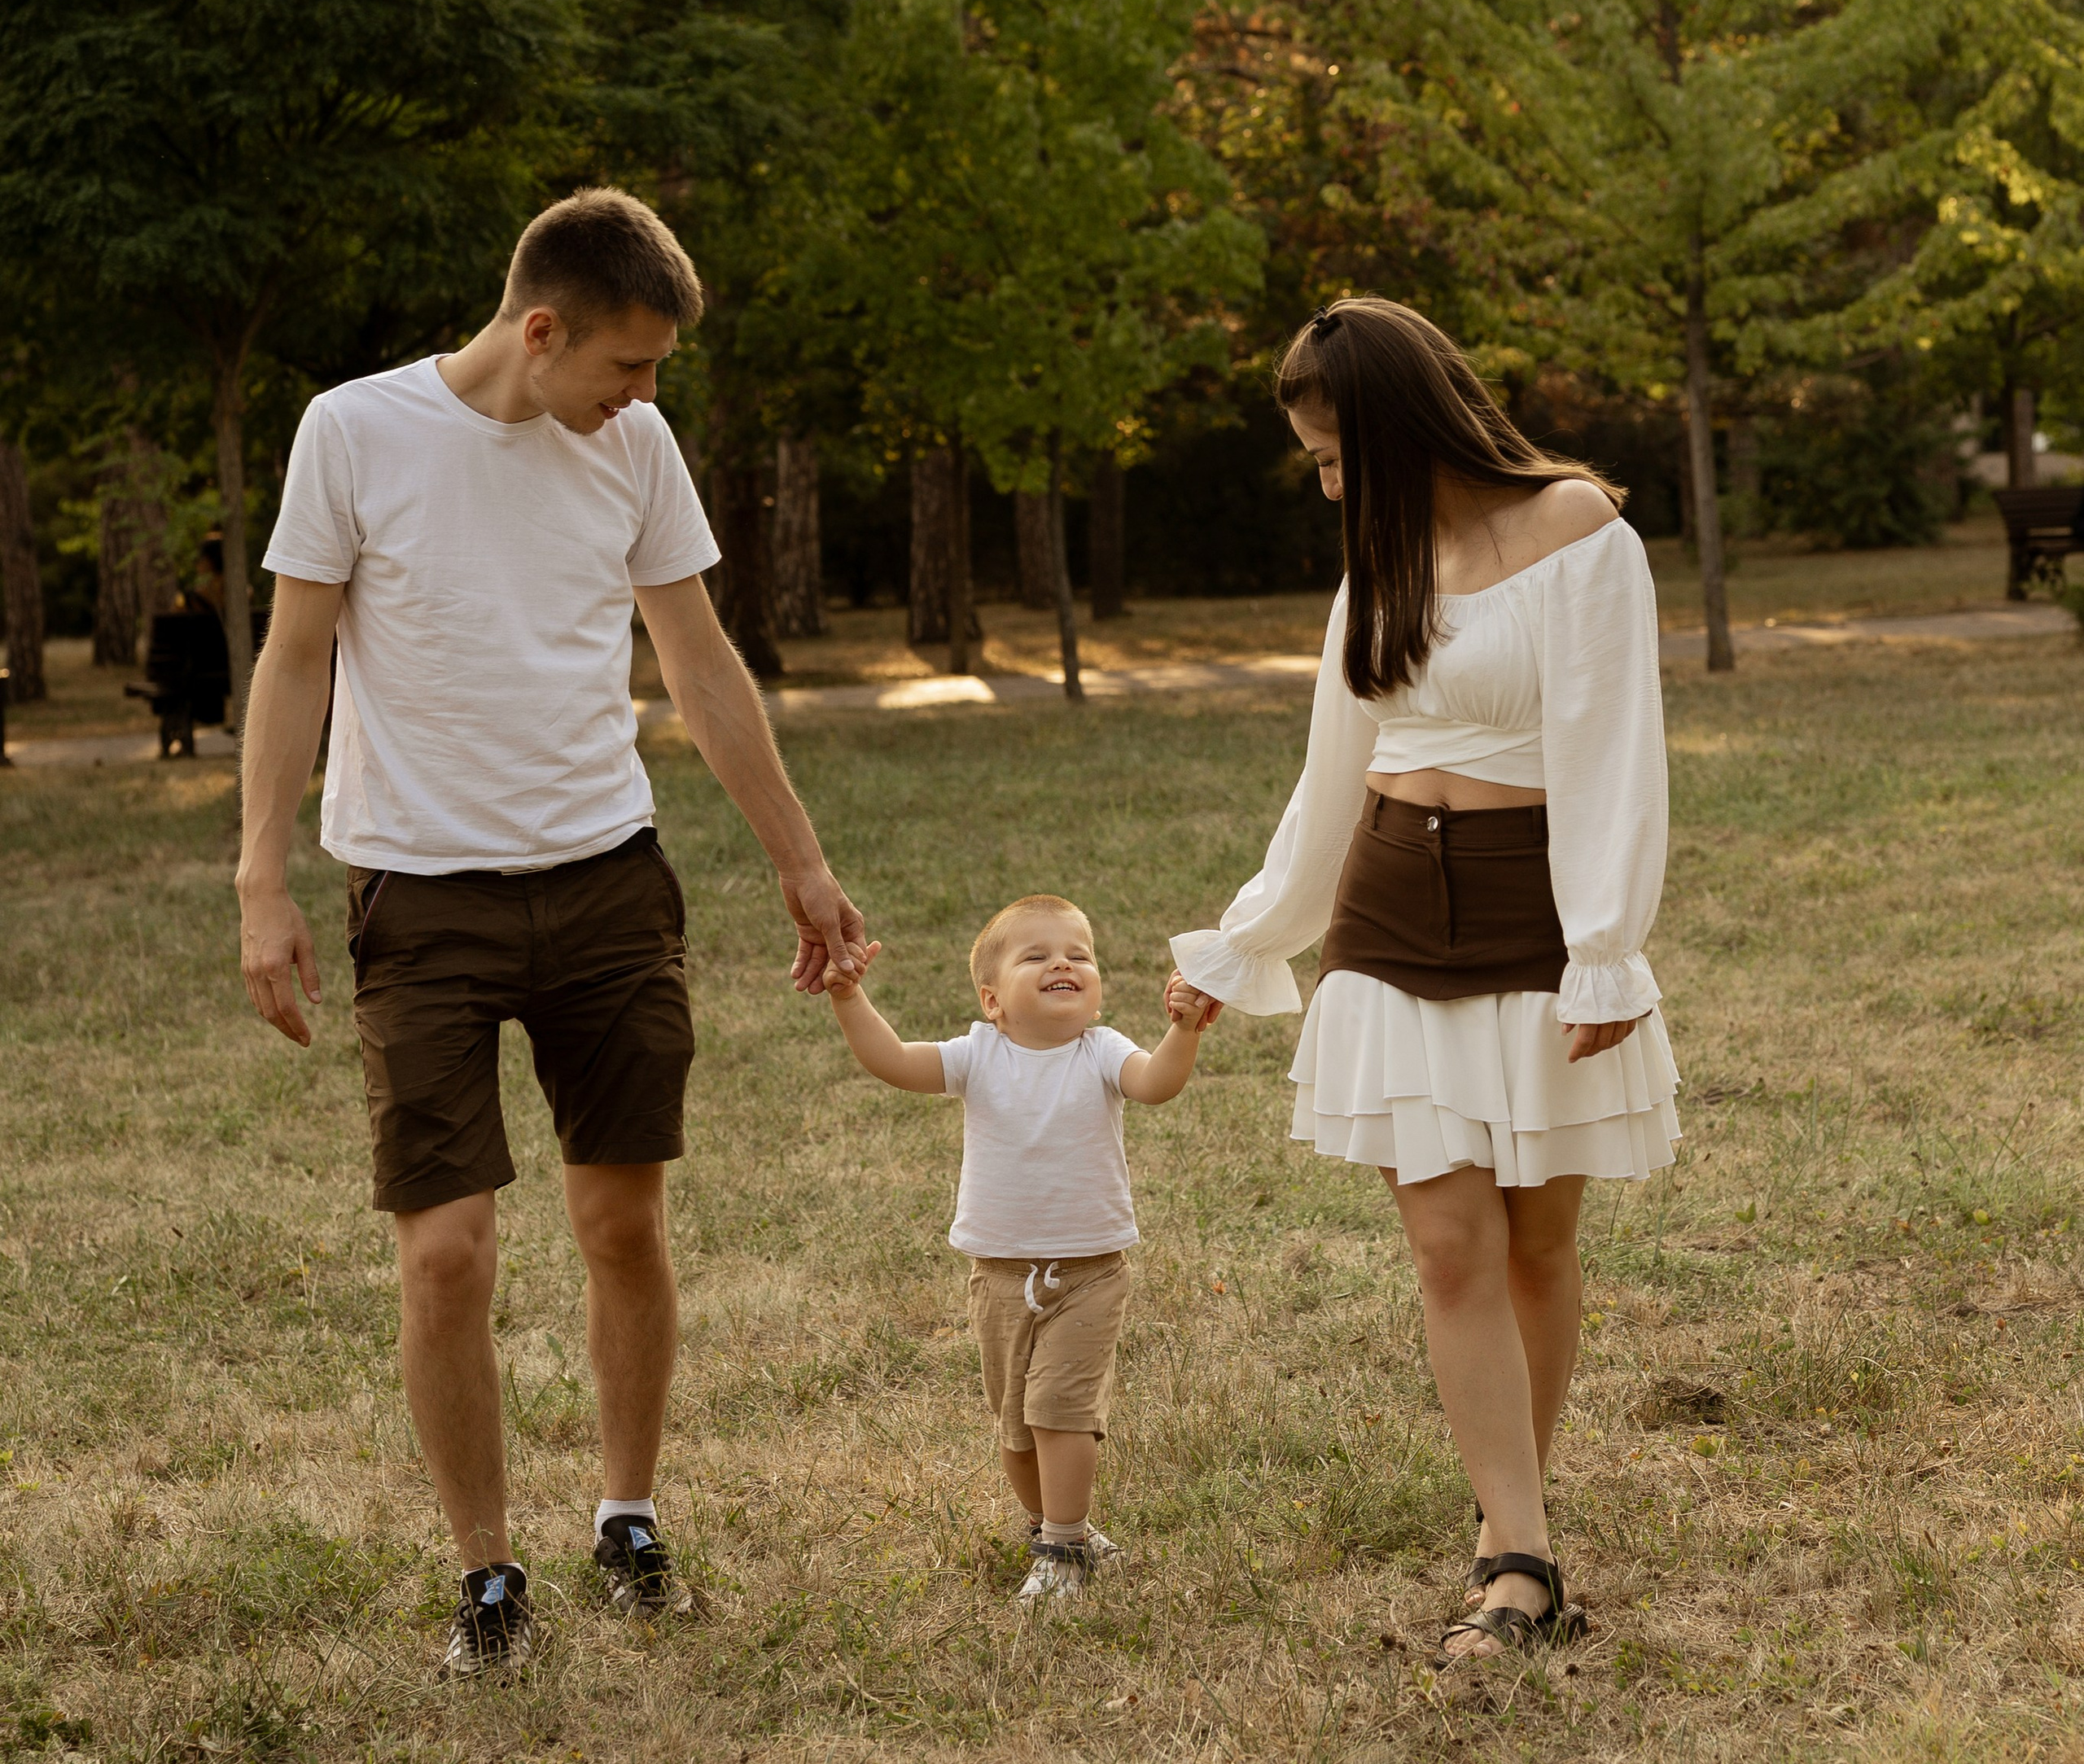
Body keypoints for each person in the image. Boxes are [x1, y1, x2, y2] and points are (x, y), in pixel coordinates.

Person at [236, 190, 868, 1679]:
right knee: (446, 1253)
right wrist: (261, 877)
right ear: (541, 330)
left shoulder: (634, 447)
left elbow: (698, 659)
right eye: (627, 365)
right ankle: (486, 1574)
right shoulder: (354, 430)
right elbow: (295, 656)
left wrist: (801, 859)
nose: (643, 396)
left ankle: (627, 1517)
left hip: (607, 883)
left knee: (622, 1224)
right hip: (420, 894)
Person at [1169, 299, 1679, 1679]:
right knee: (1450, 1245)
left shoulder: (1581, 531)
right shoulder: (1377, 563)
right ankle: (1521, 1562)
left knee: (1537, 1244)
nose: (1331, 487)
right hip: (1391, 912)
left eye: (1338, 456)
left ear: (1401, 428)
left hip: (1533, 915)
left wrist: (1604, 946)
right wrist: (1249, 938)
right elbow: (1334, 771)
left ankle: (1513, 1518)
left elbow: (1614, 752)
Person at [821, 895, 1205, 1613]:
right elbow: (893, 1060)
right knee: (1018, 1426)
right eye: (1038, 955)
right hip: (998, 1275)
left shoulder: (1103, 1050)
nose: (1064, 962)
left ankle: (1063, 1547)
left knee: (1061, 1410)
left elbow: (1157, 1084)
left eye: (1079, 955)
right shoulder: (978, 1054)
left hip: (1089, 1271)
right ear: (993, 1001)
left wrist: (1182, 1029)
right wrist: (849, 998)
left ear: (1096, 991)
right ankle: (1051, 1525)